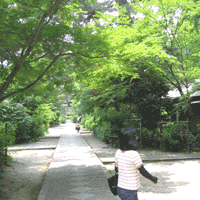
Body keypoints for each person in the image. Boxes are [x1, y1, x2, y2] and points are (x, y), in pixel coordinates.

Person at [115, 128, 158, 200]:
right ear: (131, 140)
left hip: (120, 188)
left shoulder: (118, 152)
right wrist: (153, 178)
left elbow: (116, 169)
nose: (136, 138)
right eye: (135, 136)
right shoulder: (134, 154)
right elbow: (142, 171)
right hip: (130, 190)